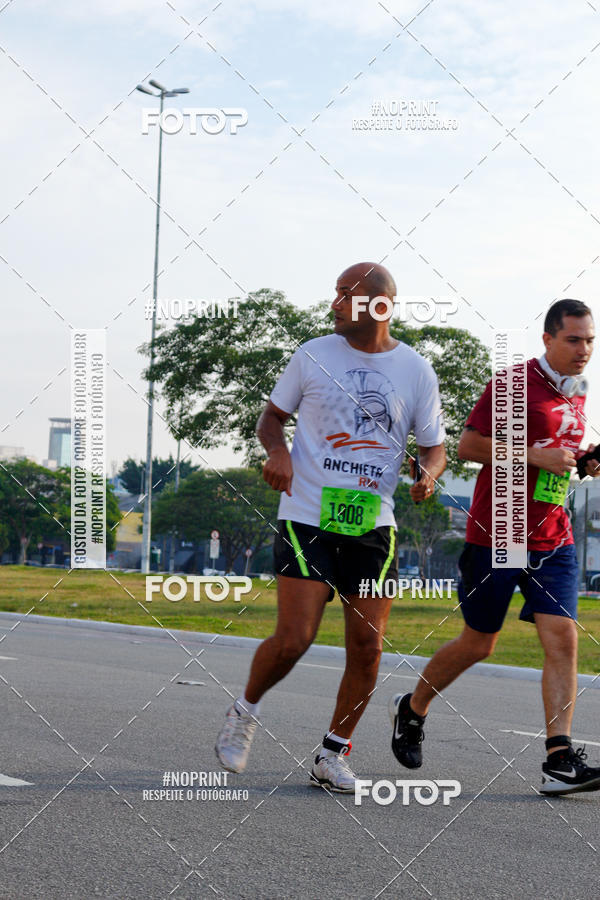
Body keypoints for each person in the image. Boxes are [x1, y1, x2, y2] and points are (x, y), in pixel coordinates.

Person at [215, 262, 446, 792]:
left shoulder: (416, 370)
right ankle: (244, 712)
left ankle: (332, 752)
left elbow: (435, 446)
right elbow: (270, 418)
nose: (335, 302)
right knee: (296, 638)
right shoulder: (313, 353)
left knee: (367, 649)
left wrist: (429, 476)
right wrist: (278, 453)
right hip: (307, 515)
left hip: (373, 524)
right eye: (337, 293)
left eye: (347, 294)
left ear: (380, 305)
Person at [389, 298, 600, 795]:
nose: (583, 350)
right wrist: (534, 454)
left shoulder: (577, 392)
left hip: (553, 537)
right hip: (498, 535)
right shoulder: (511, 383)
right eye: (573, 339)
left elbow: (556, 456)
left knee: (563, 640)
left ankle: (558, 759)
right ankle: (412, 707)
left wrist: (582, 460)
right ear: (547, 339)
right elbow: (468, 446)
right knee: (478, 643)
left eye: (590, 340)